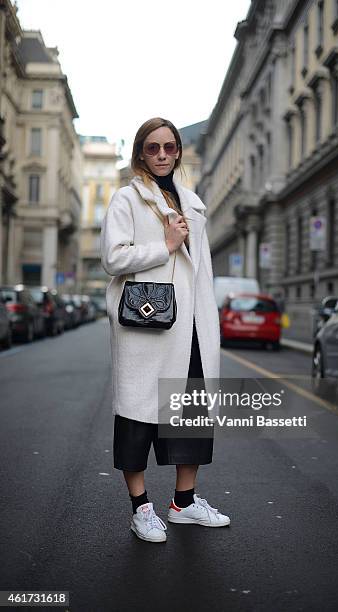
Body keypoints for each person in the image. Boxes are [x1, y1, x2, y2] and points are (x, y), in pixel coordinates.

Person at [100, 117, 230, 543]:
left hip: (189, 324)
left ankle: (184, 503)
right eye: (152, 148)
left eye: (169, 148)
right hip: (147, 324)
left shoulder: (191, 203)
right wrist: (166, 245)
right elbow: (114, 259)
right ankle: (141, 509)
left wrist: (209, 319)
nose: (161, 155)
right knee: (138, 414)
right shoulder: (127, 199)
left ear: (178, 152)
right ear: (140, 153)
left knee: (189, 414)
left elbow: (202, 270)